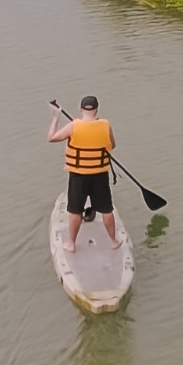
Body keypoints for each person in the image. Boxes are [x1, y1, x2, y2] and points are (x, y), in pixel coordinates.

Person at [48, 96, 122, 252]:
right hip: (100, 175)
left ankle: (71, 244)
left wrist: (55, 118)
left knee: (75, 211)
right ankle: (113, 241)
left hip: (78, 177)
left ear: (81, 109)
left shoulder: (73, 126)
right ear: (97, 109)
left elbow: (52, 138)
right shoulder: (105, 125)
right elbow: (112, 145)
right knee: (107, 209)